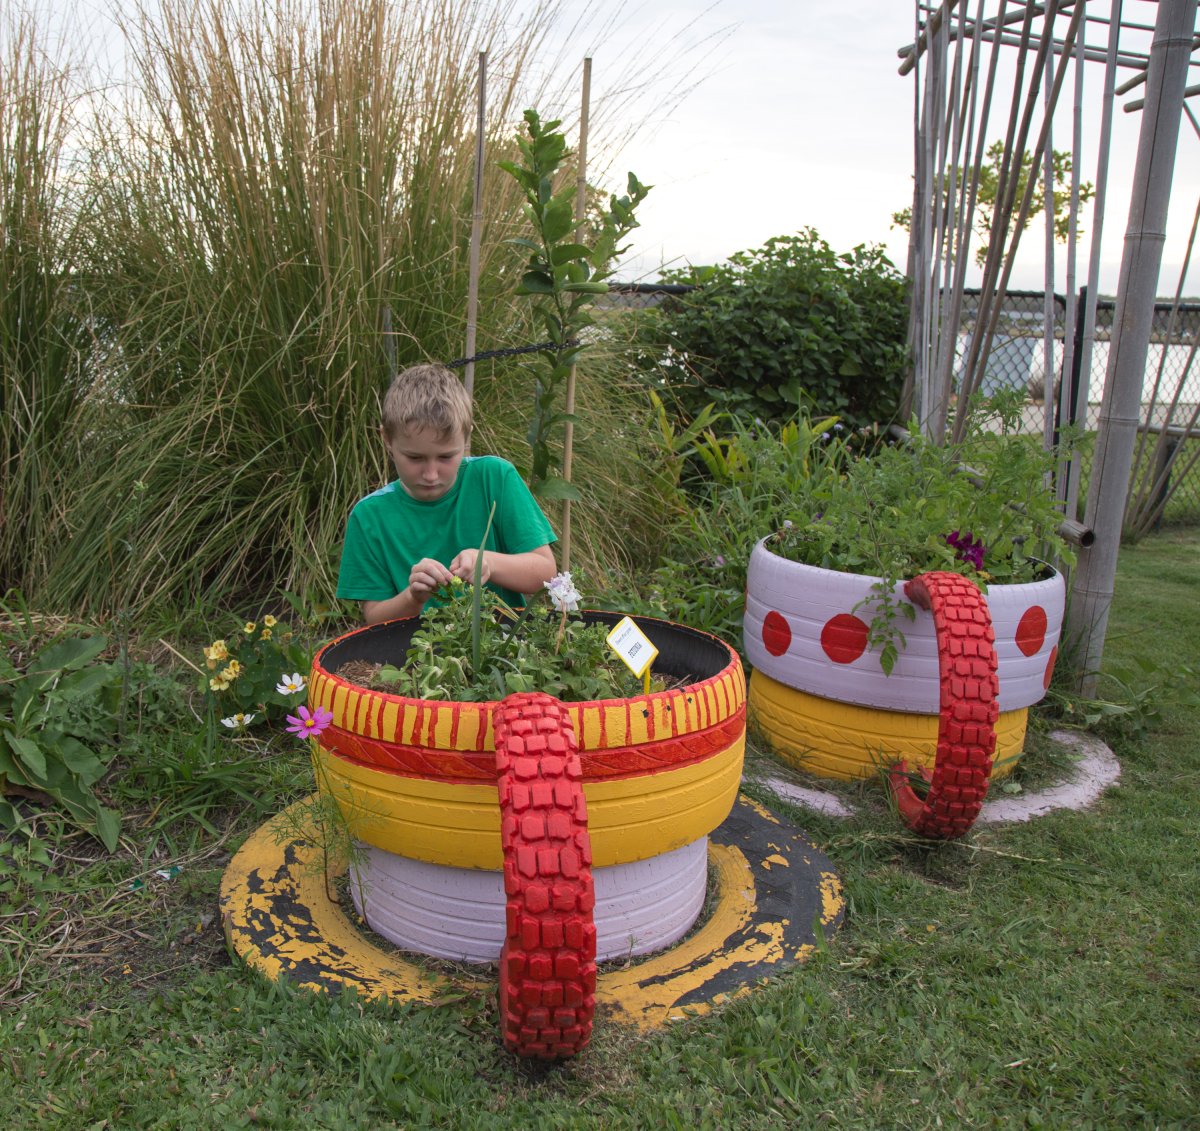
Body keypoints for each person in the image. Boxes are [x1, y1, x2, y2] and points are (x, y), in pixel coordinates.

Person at [337, 363, 558, 624]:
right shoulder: (369, 517)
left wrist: (487, 561)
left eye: (446, 456)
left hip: (504, 649)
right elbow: (374, 618)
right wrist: (413, 597)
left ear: (466, 437)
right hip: (417, 658)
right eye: (415, 457)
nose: (431, 474)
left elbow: (545, 572)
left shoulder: (495, 478)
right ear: (387, 440)